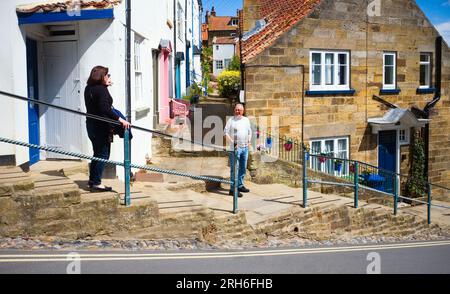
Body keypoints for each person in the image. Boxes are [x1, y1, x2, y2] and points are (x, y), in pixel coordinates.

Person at [84, 66, 131, 192]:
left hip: (91, 125)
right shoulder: (101, 90)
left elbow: (97, 106)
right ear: (101, 77)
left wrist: (106, 86)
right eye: (107, 75)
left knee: (97, 153)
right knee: (103, 155)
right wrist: (120, 119)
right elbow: (105, 108)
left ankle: (92, 181)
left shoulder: (89, 88)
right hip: (100, 127)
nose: (109, 77)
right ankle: (96, 183)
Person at [224, 103, 252, 197]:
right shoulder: (231, 120)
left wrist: (249, 140)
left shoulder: (246, 120)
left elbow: (249, 132)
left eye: (239, 110)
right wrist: (232, 142)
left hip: (245, 148)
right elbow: (225, 133)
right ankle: (232, 189)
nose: (237, 111)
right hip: (234, 149)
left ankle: (239, 185)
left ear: (243, 111)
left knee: (243, 168)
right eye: (236, 110)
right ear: (234, 110)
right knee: (234, 169)